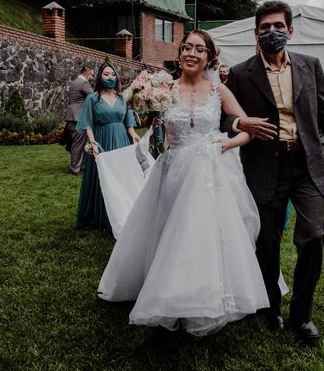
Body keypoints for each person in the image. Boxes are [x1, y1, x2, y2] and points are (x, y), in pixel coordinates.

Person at [98, 30, 270, 336]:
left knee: (203, 233)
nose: (192, 53)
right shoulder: (163, 88)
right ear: (180, 54)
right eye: (187, 48)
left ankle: (206, 292)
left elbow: (247, 130)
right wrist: (147, 108)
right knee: (170, 230)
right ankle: (164, 286)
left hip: (209, 170)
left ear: (209, 57)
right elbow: (153, 127)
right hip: (174, 168)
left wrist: (226, 145)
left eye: (199, 49)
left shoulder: (219, 91)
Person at [223, 0, 324, 343]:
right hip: (263, 166)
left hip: (307, 165)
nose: (272, 32)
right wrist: (241, 122)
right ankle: (270, 306)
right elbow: (224, 119)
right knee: (267, 243)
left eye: (278, 27)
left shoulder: (309, 66)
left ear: (290, 31)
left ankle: (302, 316)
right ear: (255, 33)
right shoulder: (241, 73)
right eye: (265, 27)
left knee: (314, 235)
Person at [76, 62, 140, 232]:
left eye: (112, 74)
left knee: (120, 177)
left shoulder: (122, 98)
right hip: (101, 140)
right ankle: (101, 216)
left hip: (121, 140)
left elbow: (128, 121)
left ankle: (122, 213)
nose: (110, 77)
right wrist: (93, 142)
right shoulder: (92, 98)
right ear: (100, 77)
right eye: (106, 74)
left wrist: (132, 133)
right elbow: (87, 124)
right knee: (101, 178)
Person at [65, 66, 94, 174]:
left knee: (77, 143)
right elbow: (94, 97)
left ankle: (80, 165)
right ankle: (75, 168)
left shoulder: (74, 82)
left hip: (72, 116)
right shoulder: (83, 83)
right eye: (91, 75)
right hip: (78, 117)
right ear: (86, 72)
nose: (91, 77)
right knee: (78, 144)